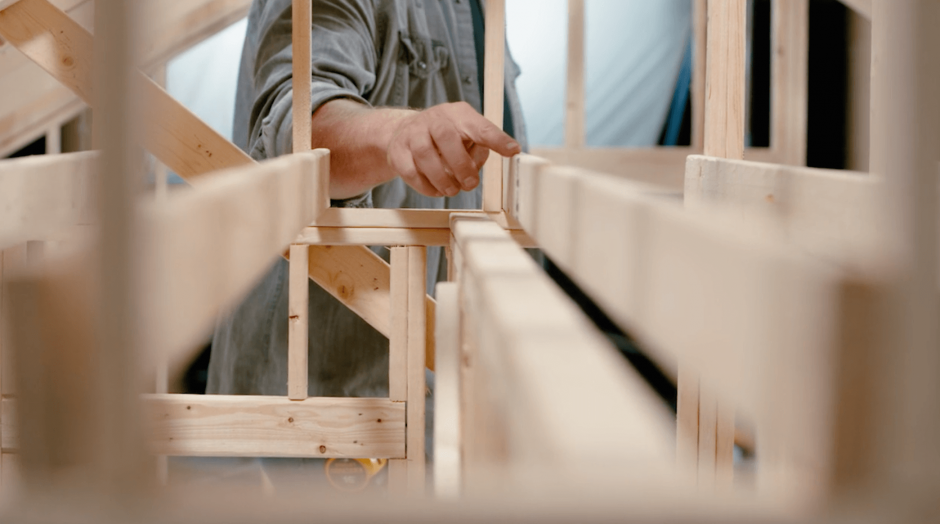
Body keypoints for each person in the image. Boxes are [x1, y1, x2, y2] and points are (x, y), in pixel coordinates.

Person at [206, 0, 526, 467]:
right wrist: (395, 132)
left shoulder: (481, 12)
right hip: (318, 421)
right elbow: (296, 126)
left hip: (440, 413)